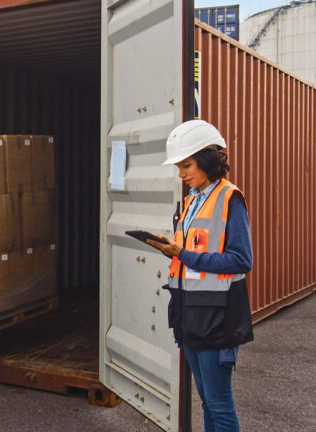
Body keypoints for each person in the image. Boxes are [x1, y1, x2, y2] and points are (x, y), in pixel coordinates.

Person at [147, 120, 253, 432]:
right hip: (188, 311)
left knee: (219, 405)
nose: (181, 174)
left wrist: (181, 254)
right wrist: (172, 249)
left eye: (186, 165)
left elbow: (240, 260)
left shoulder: (229, 198)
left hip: (217, 316)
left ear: (206, 160)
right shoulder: (193, 199)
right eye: (179, 166)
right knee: (207, 402)